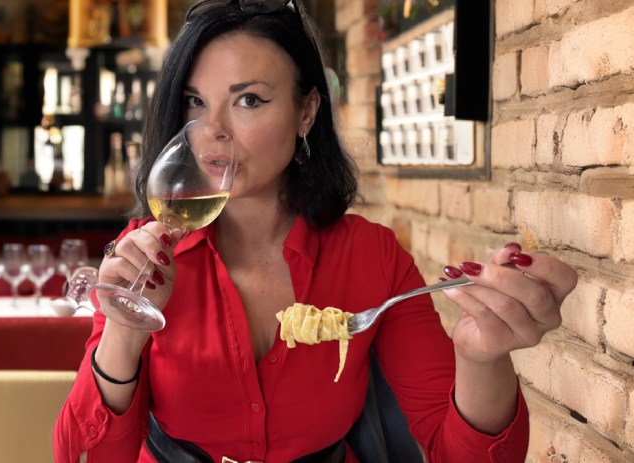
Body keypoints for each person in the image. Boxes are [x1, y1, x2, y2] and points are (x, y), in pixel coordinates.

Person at [54, 0, 579, 461]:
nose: (211, 129)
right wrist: (123, 333)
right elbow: (81, 456)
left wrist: (481, 357)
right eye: (195, 101)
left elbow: (464, 456)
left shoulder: (371, 255)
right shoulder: (145, 256)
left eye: (249, 100)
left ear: (306, 111)